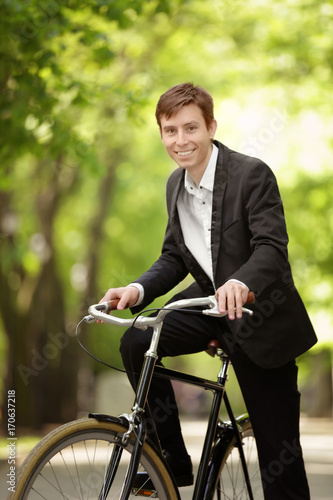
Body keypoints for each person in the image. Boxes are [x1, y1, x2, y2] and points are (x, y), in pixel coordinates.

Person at [99, 83, 317, 499]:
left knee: (279, 461)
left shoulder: (251, 175)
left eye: (190, 128)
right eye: (169, 131)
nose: (180, 141)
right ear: (161, 134)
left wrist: (241, 281)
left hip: (260, 318)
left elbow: (272, 249)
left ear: (211, 127)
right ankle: (168, 461)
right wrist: (136, 289)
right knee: (138, 340)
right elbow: (174, 258)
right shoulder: (175, 187)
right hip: (209, 305)